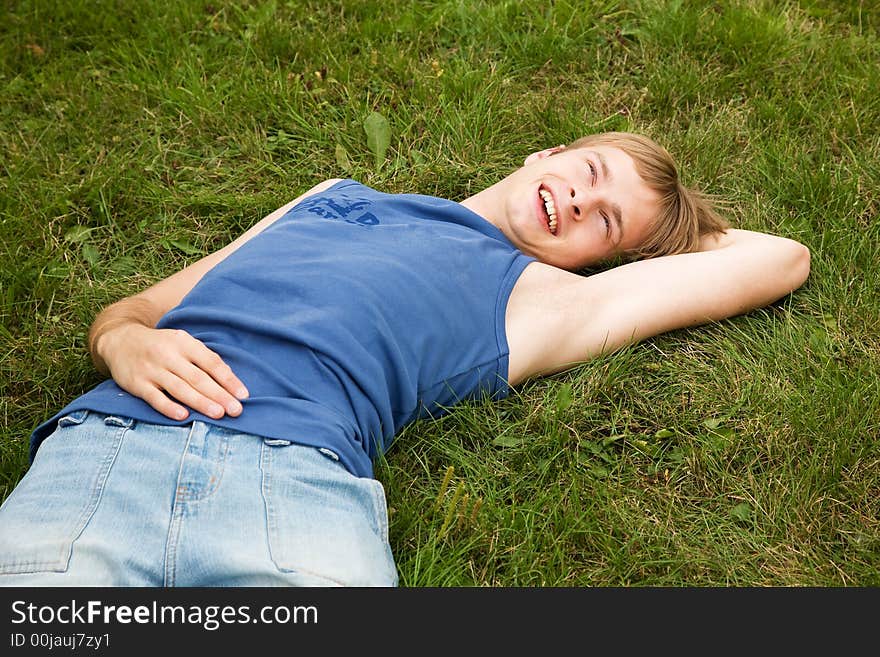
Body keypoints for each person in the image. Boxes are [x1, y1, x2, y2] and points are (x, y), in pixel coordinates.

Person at [0, 131, 810, 586]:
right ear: (545, 153)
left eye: (606, 222)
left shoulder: (539, 297)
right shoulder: (332, 196)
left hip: (295, 491)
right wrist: (122, 337)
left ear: (602, 264)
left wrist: (670, 231)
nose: (578, 201)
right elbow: (139, 306)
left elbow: (781, 257)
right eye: (589, 173)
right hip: (111, 450)